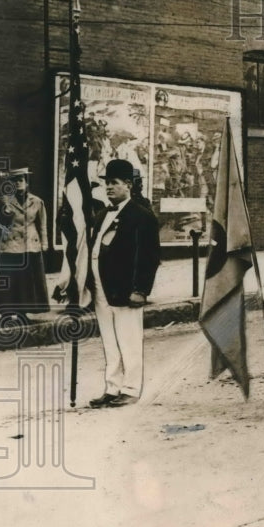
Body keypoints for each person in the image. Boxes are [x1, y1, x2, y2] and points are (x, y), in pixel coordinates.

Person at [87, 159, 161, 408]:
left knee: (128, 339)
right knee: (109, 339)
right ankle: (112, 387)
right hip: (100, 288)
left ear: (128, 185)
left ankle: (130, 388)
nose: (109, 188)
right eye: (106, 184)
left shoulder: (141, 216)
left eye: (114, 183)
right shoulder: (101, 216)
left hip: (125, 288)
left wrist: (140, 289)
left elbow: (148, 257)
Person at [0, 168, 51, 320]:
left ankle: (22, 312)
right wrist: (5, 208)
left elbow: (42, 225)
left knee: (26, 280)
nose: (18, 183)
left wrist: (45, 244)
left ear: (26, 182)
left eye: (20, 180)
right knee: (9, 279)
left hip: (30, 245)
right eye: (14, 180)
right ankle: (5, 313)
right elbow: (0, 224)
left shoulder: (37, 201)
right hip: (11, 245)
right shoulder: (4, 201)